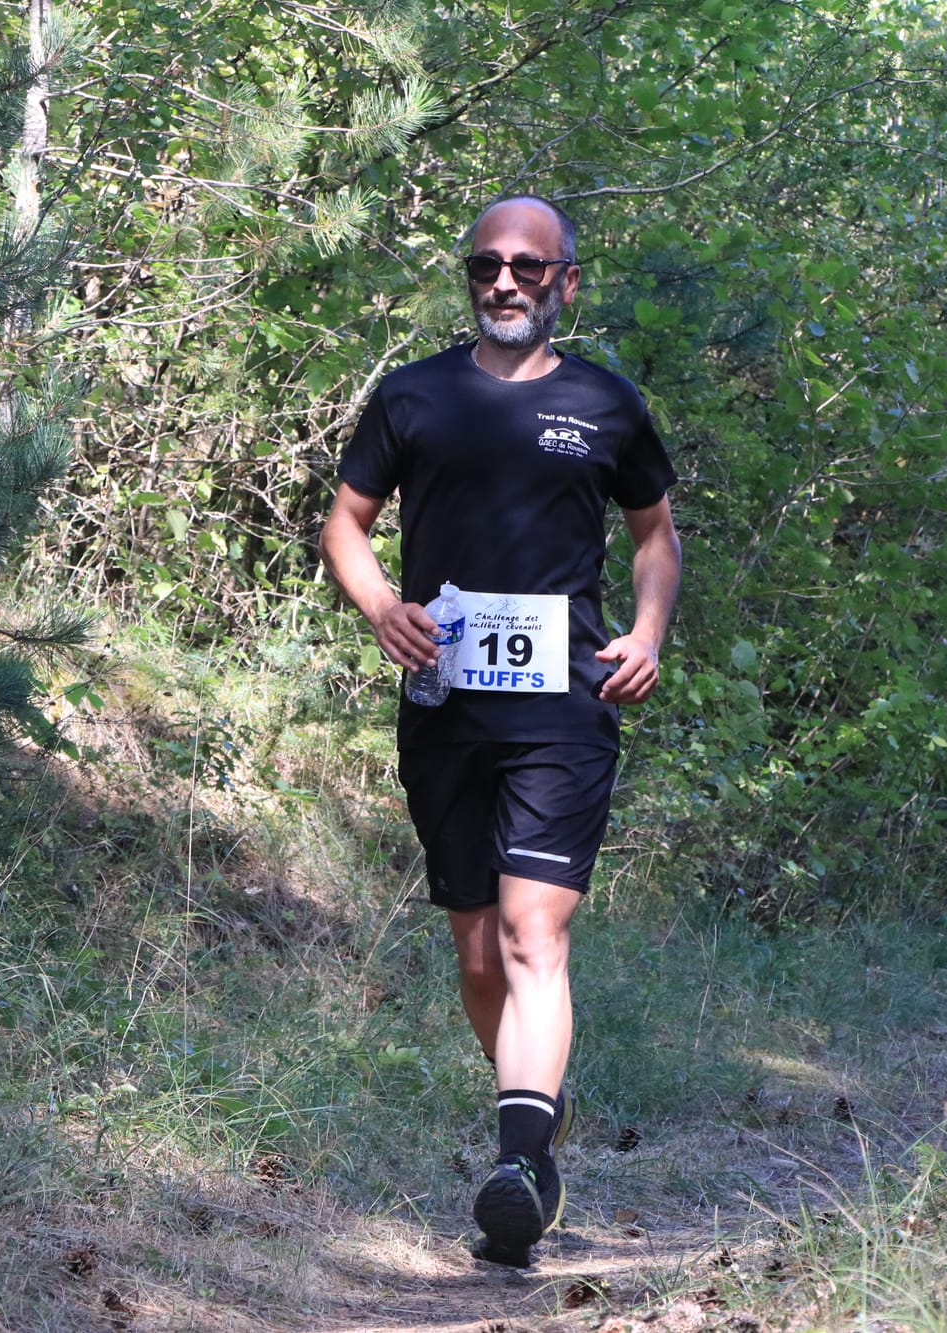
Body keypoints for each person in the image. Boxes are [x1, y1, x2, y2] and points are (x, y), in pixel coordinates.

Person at [319, 195, 681, 1267]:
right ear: (469, 277)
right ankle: (534, 1127)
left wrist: (648, 627)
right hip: (444, 704)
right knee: (478, 949)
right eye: (487, 265)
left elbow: (654, 534)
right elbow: (345, 522)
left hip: (565, 710)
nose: (506, 281)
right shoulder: (413, 395)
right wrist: (382, 602)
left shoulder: (604, 404)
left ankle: (516, 1162)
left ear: (567, 280)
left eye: (529, 266)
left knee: (533, 936)